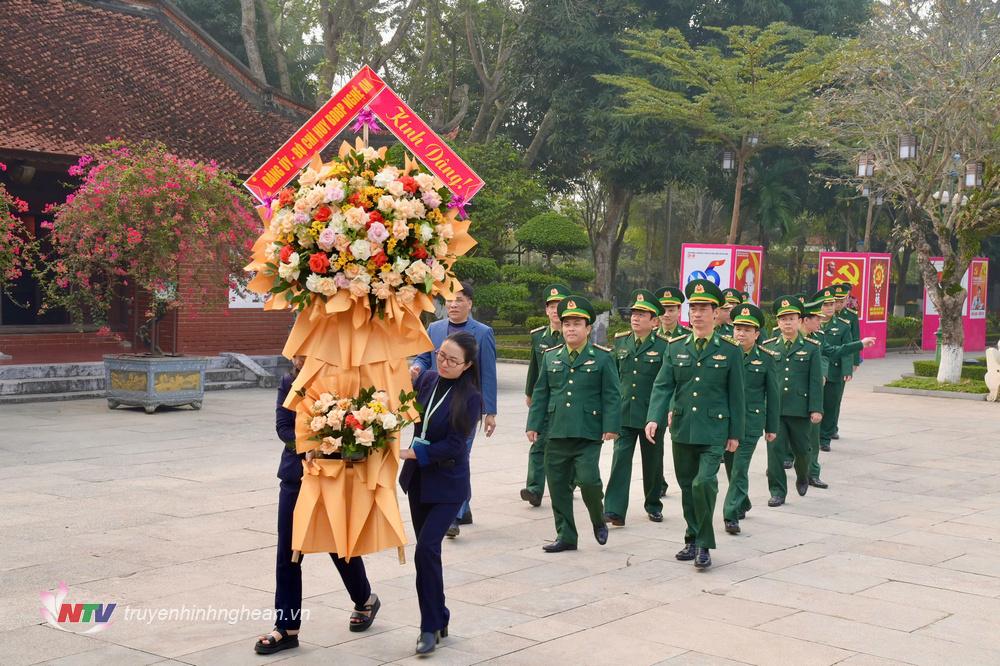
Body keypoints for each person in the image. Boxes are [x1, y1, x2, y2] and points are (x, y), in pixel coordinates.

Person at [255, 356, 379, 656]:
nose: (299, 357)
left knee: (338, 546)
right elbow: (283, 426)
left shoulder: (342, 383)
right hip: (296, 479)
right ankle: (286, 628)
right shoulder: (290, 383)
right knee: (289, 552)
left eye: (306, 350)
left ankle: (365, 599)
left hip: (332, 477)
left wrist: (336, 442)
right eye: (296, 352)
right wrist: (307, 444)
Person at [644, 280, 745, 569]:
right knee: (688, 486)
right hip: (684, 428)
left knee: (704, 483)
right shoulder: (676, 347)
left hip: (714, 430)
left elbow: (737, 395)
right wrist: (653, 417)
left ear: (716, 313)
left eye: (704, 308)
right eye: (694, 308)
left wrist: (735, 433)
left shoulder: (731, 350)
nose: (698, 314)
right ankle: (691, 537)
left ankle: (704, 544)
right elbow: (663, 385)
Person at [399, 332, 483, 655]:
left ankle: (429, 627)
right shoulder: (429, 380)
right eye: (441, 355)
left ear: (467, 365)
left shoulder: (471, 397)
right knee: (428, 556)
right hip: (419, 482)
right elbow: (408, 408)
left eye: (452, 360)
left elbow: (455, 445)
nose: (444, 363)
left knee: (426, 549)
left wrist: (415, 454)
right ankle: (441, 614)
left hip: (448, 484)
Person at [526, 295, 621, 553]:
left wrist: (611, 426)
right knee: (557, 486)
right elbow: (541, 393)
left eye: (577, 323)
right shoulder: (550, 356)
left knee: (589, 480)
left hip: (588, 432)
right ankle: (566, 535)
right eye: (567, 323)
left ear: (588, 328)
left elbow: (612, 394)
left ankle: (597, 517)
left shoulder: (602, 357)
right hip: (555, 431)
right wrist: (533, 424)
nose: (570, 328)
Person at [410, 282, 497, 537]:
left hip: (463, 405)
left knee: (458, 453)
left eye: (459, 299)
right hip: (435, 403)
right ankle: (463, 505)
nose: (453, 304)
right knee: (441, 455)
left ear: (470, 303)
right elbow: (424, 357)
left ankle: (453, 517)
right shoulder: (434, 328)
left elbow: (488, 373)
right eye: (449, 299)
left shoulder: (482, 332)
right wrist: (416, 367)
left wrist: (489, 411)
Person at [604, 289, 669, 526]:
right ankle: (614, 509)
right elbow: (612, 379)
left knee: (652, 461)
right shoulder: (621, 341)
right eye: (634, 313)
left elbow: (668, 383)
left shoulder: (665, 346)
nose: (635, 318)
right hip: (624, 412)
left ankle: (653, 504)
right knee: (620, 459)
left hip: (651, 414)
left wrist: (665, 412)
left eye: (642, 314)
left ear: (654, 321)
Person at [723, 303, 779, 536]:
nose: (741, 333)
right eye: (738, 328)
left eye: (747, 329)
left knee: (739, 468)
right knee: (729, 465)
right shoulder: (723, 353)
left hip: (750, 422)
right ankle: (742, 500)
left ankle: (730, 514)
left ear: (757, 334)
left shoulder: (766, 358)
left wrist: (771, 427)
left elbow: (773, 395)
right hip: (725, 421)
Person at [762, 297, 823, 507]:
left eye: (792, 318)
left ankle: (803, 474)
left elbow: (815, 381)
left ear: (800, 321)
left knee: (803, 450)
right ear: (777, 322)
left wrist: (816, 409)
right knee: (775, 452)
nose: (787, 323)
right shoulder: (769, 347)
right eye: (783, 319)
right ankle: (777, 491)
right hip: (776, 410)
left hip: (800, 409)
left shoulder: (812, 347)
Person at [521, 283, 569, 507]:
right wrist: (530, 392)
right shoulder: (539, 337)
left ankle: (570, 482)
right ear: (546, 310)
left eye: (559, 306)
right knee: (538, 442)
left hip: (566, 400)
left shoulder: (572, 335)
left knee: (565, 444)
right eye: (551, 306)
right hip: (543, 399)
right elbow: (534, 366)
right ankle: (534, 489)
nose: (554, 310)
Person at [830, 283, 863, 442]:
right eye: (835, 301)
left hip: (841, 362)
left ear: (846, 300)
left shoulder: (850, 315)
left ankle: (832, 428)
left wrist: (854, 361)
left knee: (836, 398)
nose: (838, 304)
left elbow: (855, 339)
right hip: (825, 360)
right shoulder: (822, 315)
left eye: (841, 301)